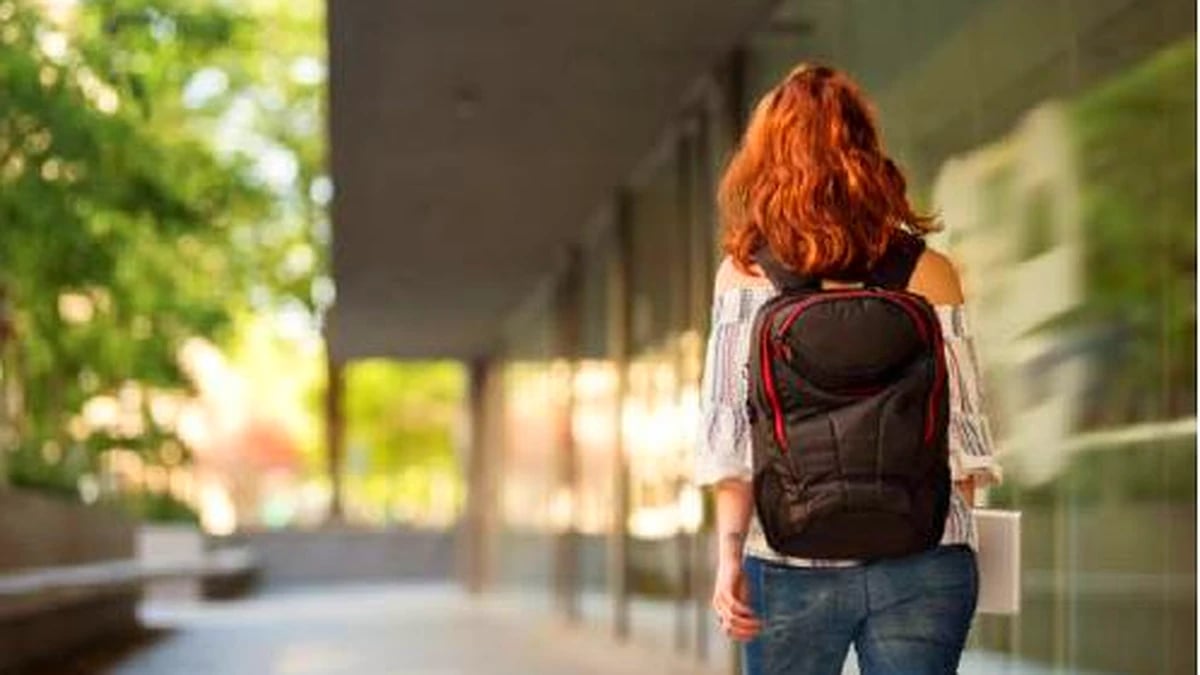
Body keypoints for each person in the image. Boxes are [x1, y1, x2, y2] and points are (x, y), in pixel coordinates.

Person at [695, 64, 1003, 674]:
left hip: (785, 559)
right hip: (924, 559)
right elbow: (964, 434)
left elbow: (730, 441)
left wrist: (730, 557)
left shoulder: (745, 277)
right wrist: (951, 534)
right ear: (867, 153)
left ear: (766, 161)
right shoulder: (929, 272)